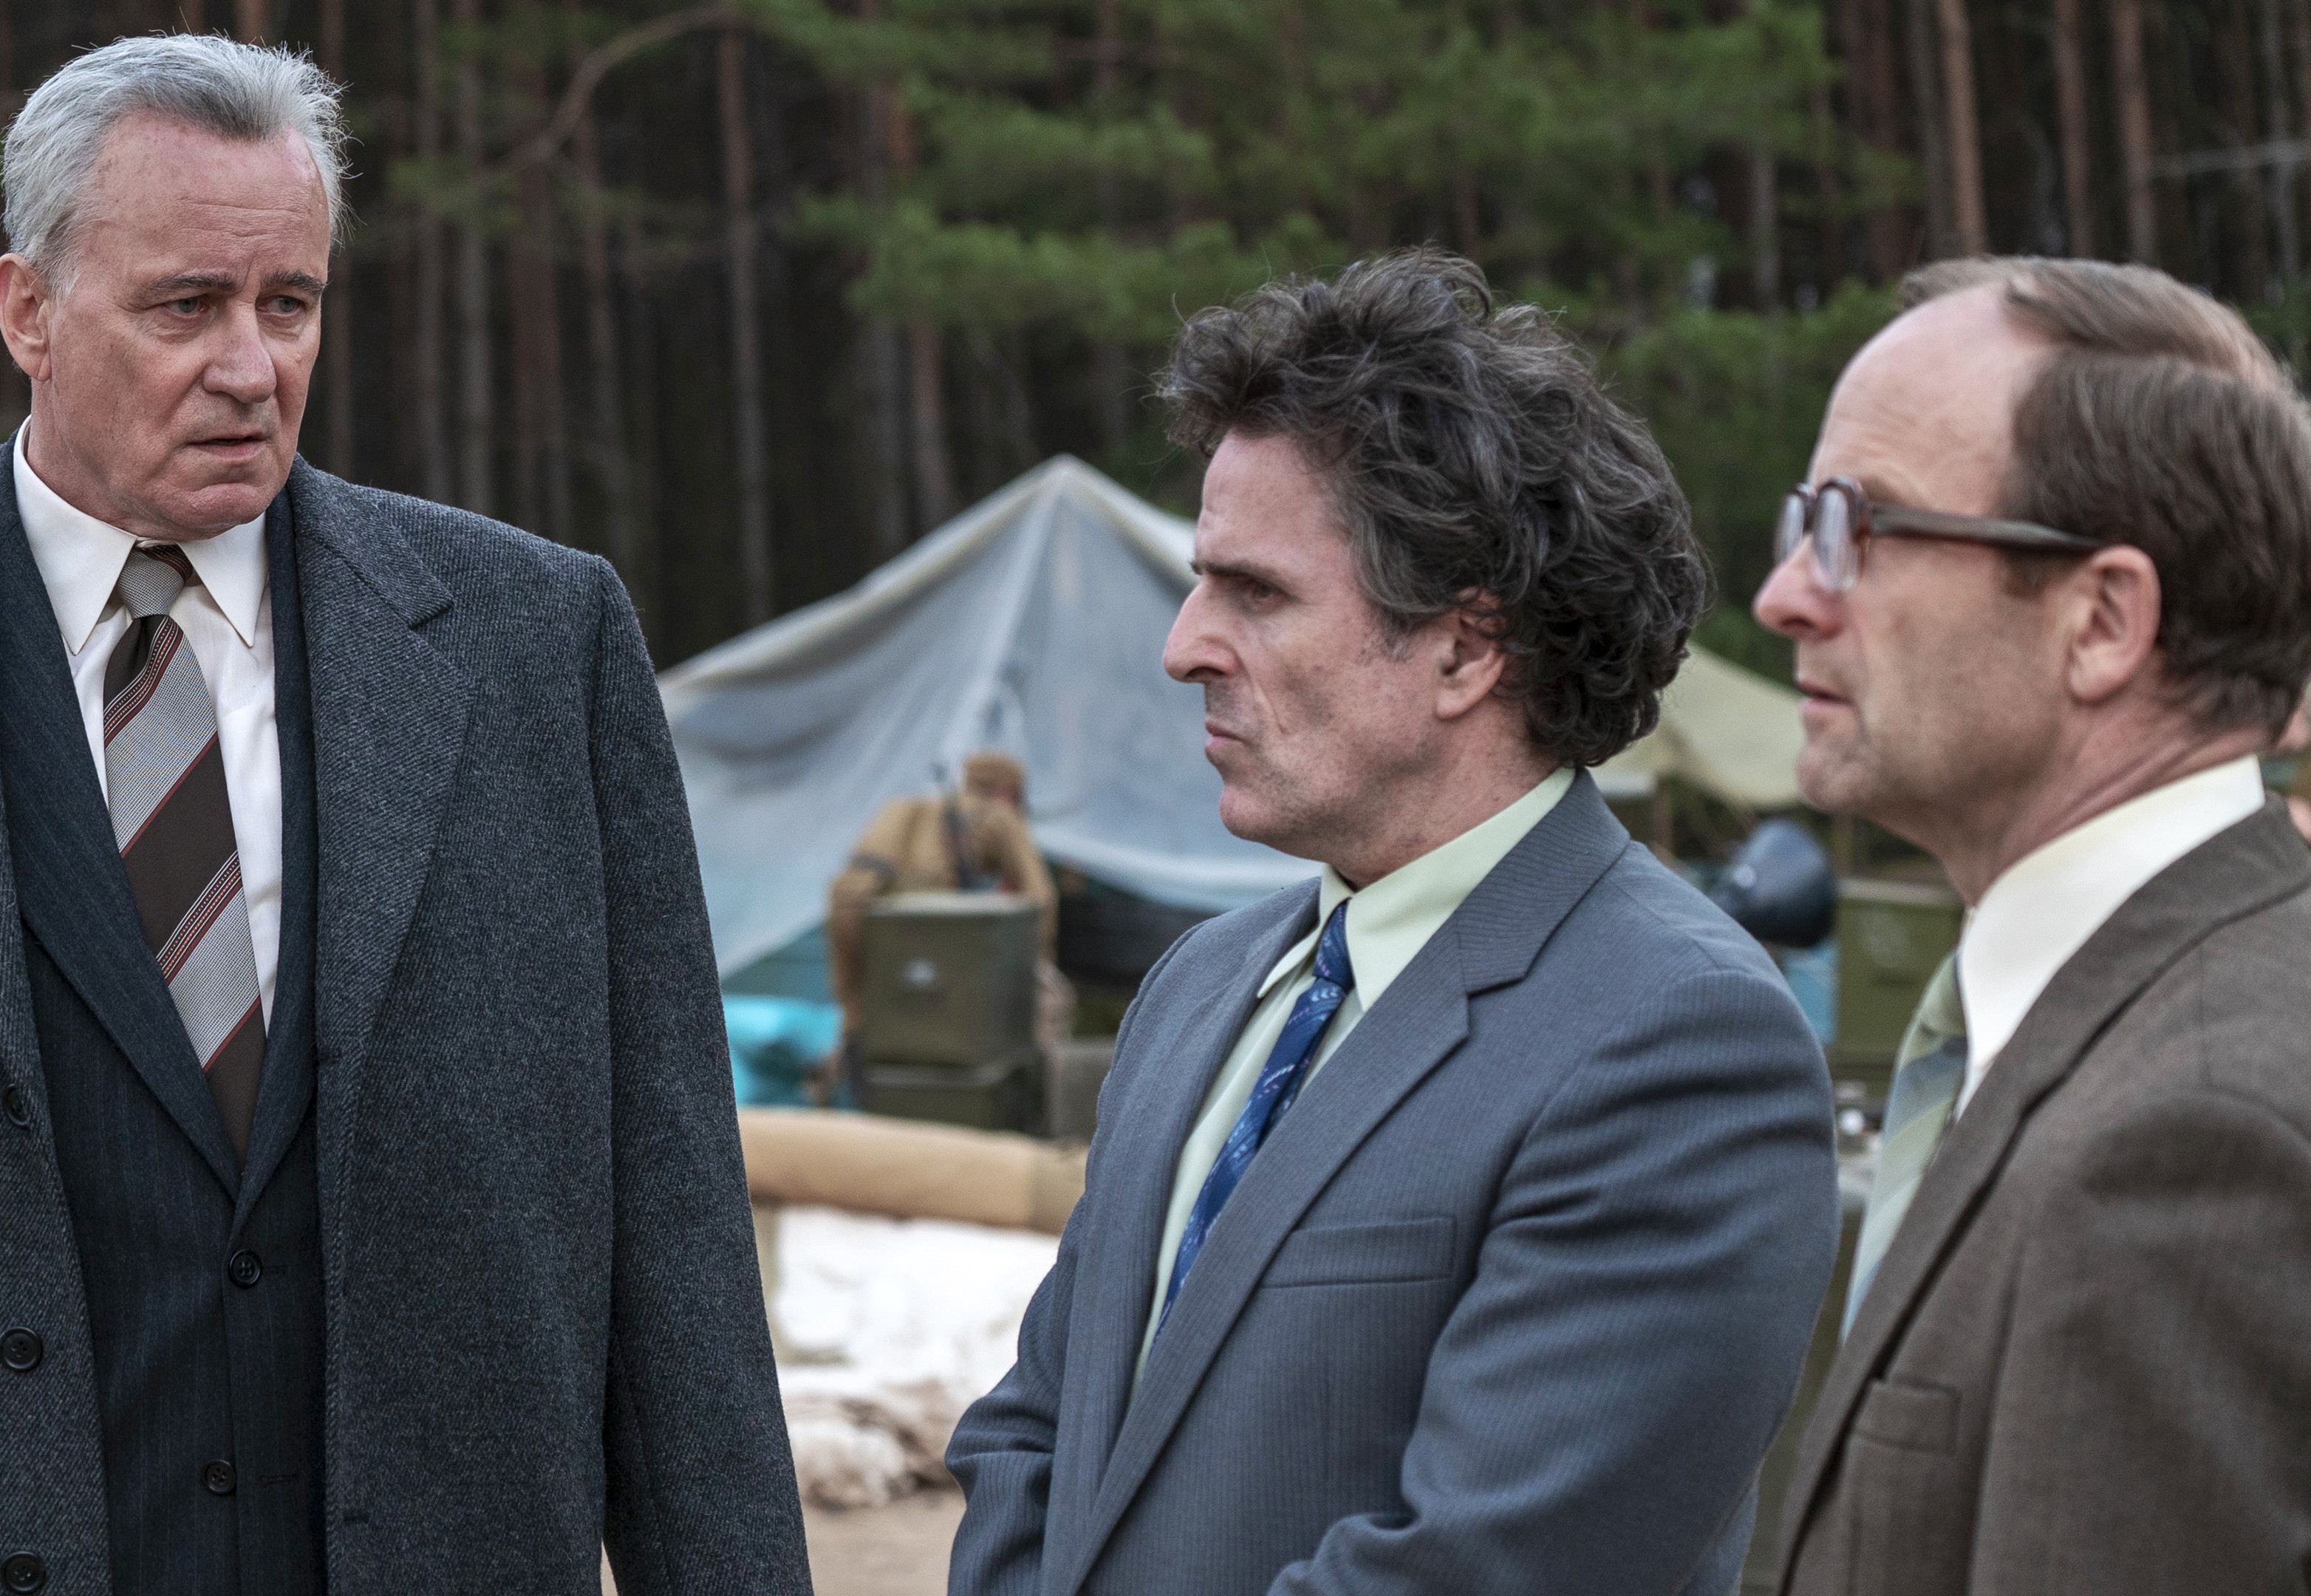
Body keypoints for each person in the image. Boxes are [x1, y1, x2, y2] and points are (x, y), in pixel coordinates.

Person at [0, 35, 808, 1596]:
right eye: (185, 306)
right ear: (28, 311)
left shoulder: (542, 647)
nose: (251, 367)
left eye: (288, 304)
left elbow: (677, 1238)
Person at [945, 250, 1838, 1596]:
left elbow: (1487, 1569)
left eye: (1255, 592)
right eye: (1200, 582)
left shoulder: (1677, 1041)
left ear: (1466, 650)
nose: (1184, 646)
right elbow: (1033, 1435)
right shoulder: (1205, 984)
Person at [1758, 259, 2311, 1594]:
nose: (1786, 594)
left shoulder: (2192, 1136)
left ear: (2103, 621)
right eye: (1805, 520)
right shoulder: (2135, 1029)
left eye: (1861, 526)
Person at [825, 751, 1065, 1060]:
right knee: (952, 1025)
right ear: (1009, 792)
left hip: (851, 906)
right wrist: (1039, 964)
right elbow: (1041, 896)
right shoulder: (1000, 816)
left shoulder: (912, 808)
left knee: (869, 1025)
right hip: (930, 924)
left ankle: (853, 1057)